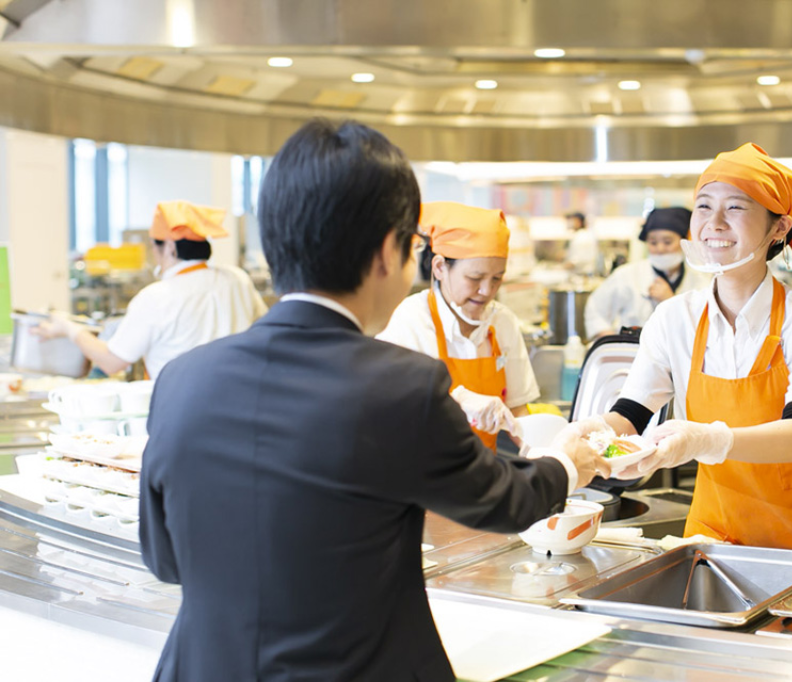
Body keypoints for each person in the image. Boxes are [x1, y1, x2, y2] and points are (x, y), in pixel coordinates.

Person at [139, 119, 608, 682]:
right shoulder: (402, 386)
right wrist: (567, 463)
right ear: (390, 251)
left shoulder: (182, 380)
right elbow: (504, 503)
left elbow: (165, 560)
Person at [560, 143, 792, 557]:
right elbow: (630, 416)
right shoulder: (674, 318)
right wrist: (587, 435)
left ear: (779, 227)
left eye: (735, 207)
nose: (713, 223)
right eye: (703, 206)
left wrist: (706, 439)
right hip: (713, 533)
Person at [33, 201, 267, 380]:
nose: (153, 253)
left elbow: (111, 362)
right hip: (235, 398)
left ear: (171, 247)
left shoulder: (157, 296)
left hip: (179, 409)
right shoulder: (237, 279)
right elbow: (262, 326)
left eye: (154, 245)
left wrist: (69, 328)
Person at [377, 201, 539, 449]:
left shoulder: (502, 322)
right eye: (475, 278)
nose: (487, 290)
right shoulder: (408, 322)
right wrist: (456, 400)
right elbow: (389, 412)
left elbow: (518, 411)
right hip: (421, 466)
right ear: (440, 267)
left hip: (484, 467)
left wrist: (543, 456)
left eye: (497, 278)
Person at [585, 207, 708, 338]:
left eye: (667, 242)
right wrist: (611, 340)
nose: (660, 248)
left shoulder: (701, 280)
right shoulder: (627, 274)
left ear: (683, 241)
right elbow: (595, 310)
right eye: (653, 242)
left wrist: (670, 301)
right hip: (632, 349)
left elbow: (705, 326)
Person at [564, 210, 602, 276]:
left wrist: (568, 265)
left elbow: (579, 258)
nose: (571, 224)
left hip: (583, 273)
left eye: (572, 221)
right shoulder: (582, 235)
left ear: (578, 222)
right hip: (582, 272)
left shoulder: (582, 237)